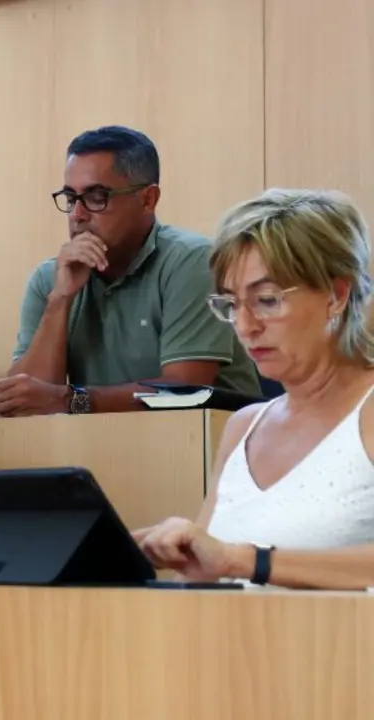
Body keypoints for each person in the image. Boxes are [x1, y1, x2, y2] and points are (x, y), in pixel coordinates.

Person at [133, 189, 374, 590]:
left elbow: (229, 560)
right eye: (230, 304)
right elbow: (203, 580)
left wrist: (241, 560)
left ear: (337, 295)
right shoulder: (244, 426)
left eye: (266, 300)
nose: (245, 326)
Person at [0, 126, 260, 417]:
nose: (77, 215)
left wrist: (73, 400)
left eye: (97, 197)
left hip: (206, 444)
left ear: (148, 199)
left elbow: (186, 391)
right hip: (97, 447)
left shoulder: (192, 261)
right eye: (71, 198)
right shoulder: (50, 279)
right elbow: (25, 402)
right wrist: (60, 300)